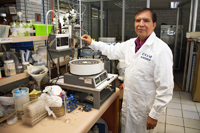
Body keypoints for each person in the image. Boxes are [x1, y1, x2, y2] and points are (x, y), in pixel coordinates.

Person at [81, 7, 174, 133]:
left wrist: (155, 114)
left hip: (144, 110)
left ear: (154, 24)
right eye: (138, 20)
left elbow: (165, 87)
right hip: (129, 104)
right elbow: (111, 50)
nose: (141, 24)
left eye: (146, 20)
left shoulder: (161, 50)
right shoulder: (130, 44)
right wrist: (92, 42)